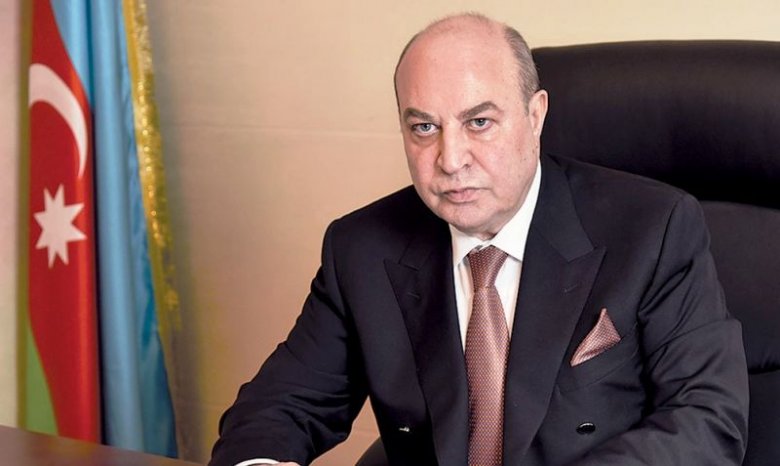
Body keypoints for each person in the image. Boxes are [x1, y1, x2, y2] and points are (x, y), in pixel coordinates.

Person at [210, 13, 749, 466]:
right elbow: (279, 407)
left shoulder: (653, 228)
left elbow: (705, 419)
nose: (450, 160)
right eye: (424, 128)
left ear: (535, 115)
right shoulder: (362, 248)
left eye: (479, 122)